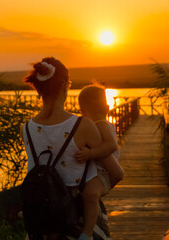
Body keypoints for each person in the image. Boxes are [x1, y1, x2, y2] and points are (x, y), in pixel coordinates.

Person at [22, 57, 121, 240]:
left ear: (38, 89)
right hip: (76, 222)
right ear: (65, 87)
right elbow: (116, 173)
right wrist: (95, 192)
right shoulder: (83, 126)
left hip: (42, 224)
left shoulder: (26, 128)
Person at [74, 84, 125, 238]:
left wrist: (90, 153)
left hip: (103, 171)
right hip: (95, 170)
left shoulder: (101, 124)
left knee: (90, 195)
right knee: (87, 195)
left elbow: (111, 145)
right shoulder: (92, 124)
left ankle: (87, 233)